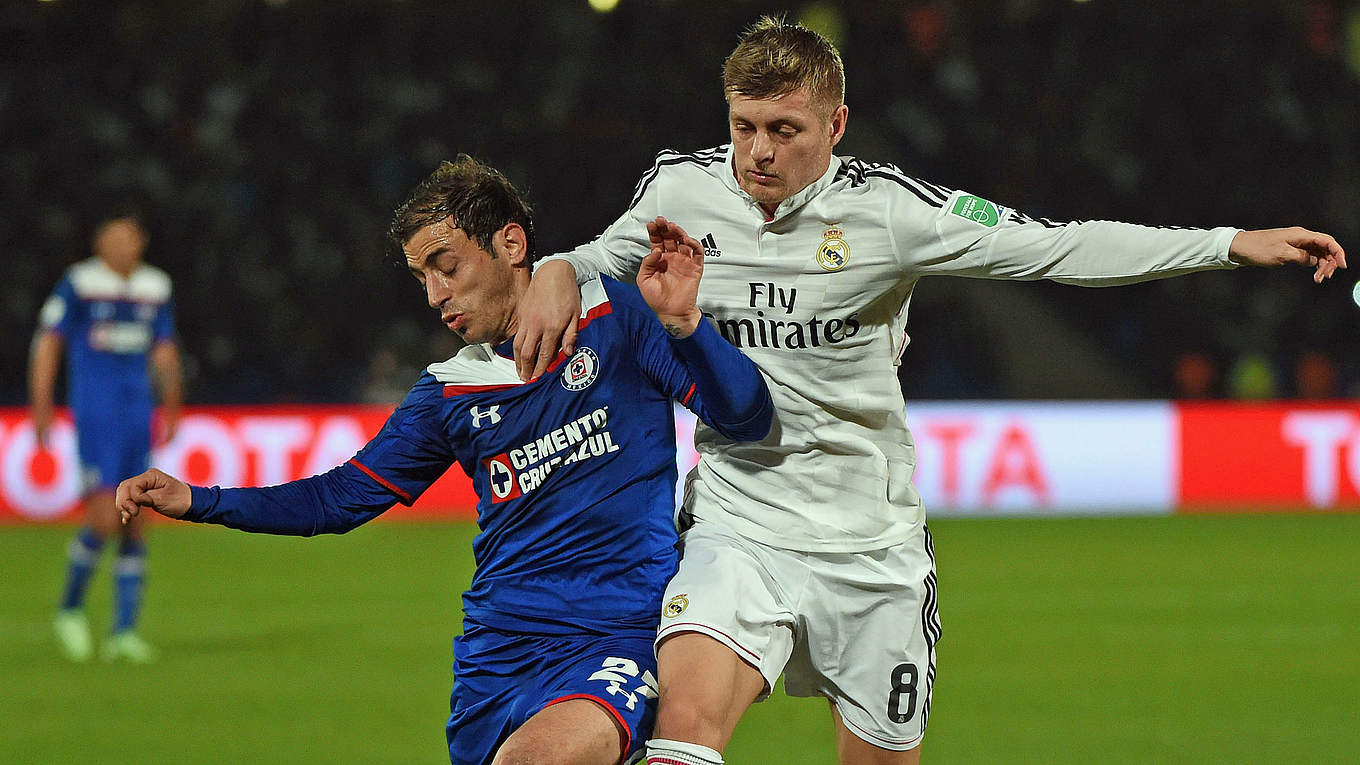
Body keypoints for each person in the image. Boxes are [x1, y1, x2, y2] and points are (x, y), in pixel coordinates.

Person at [512, 17, 1349, 765]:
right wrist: (556, 268)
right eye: (743, 126)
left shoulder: (890, 212)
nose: (758, 151)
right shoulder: (680, 190)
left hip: (871, 550)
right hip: (738, 525)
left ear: (835, 126)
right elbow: (595, 258)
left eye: (783, 129)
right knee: (683, 730)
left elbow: (1056, 246)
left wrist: (1227, 243)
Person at [115, 156, 773, 765]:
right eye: (421, 277)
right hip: (496, 660)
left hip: (613, 638)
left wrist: (686, 325)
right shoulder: (451, 390)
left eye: (446, 266)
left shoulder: (617, 318)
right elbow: (338, 499)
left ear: (510, 245)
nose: (434, 295)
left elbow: (746, 418)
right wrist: (197, 499)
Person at [31, 205, 182, 664]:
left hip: (138, 414)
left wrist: (172, 404)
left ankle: (123, 632)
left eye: (129, 238)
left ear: (141, 243)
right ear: (99, 243)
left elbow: (164, 349)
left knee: (138, 518)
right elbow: (49, 342)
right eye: (114, 238)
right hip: (97, 416)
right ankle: (70, 609)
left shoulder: (155, 287)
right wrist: (42, 405)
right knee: (103, 518)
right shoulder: (79, 283)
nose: (122, 246)